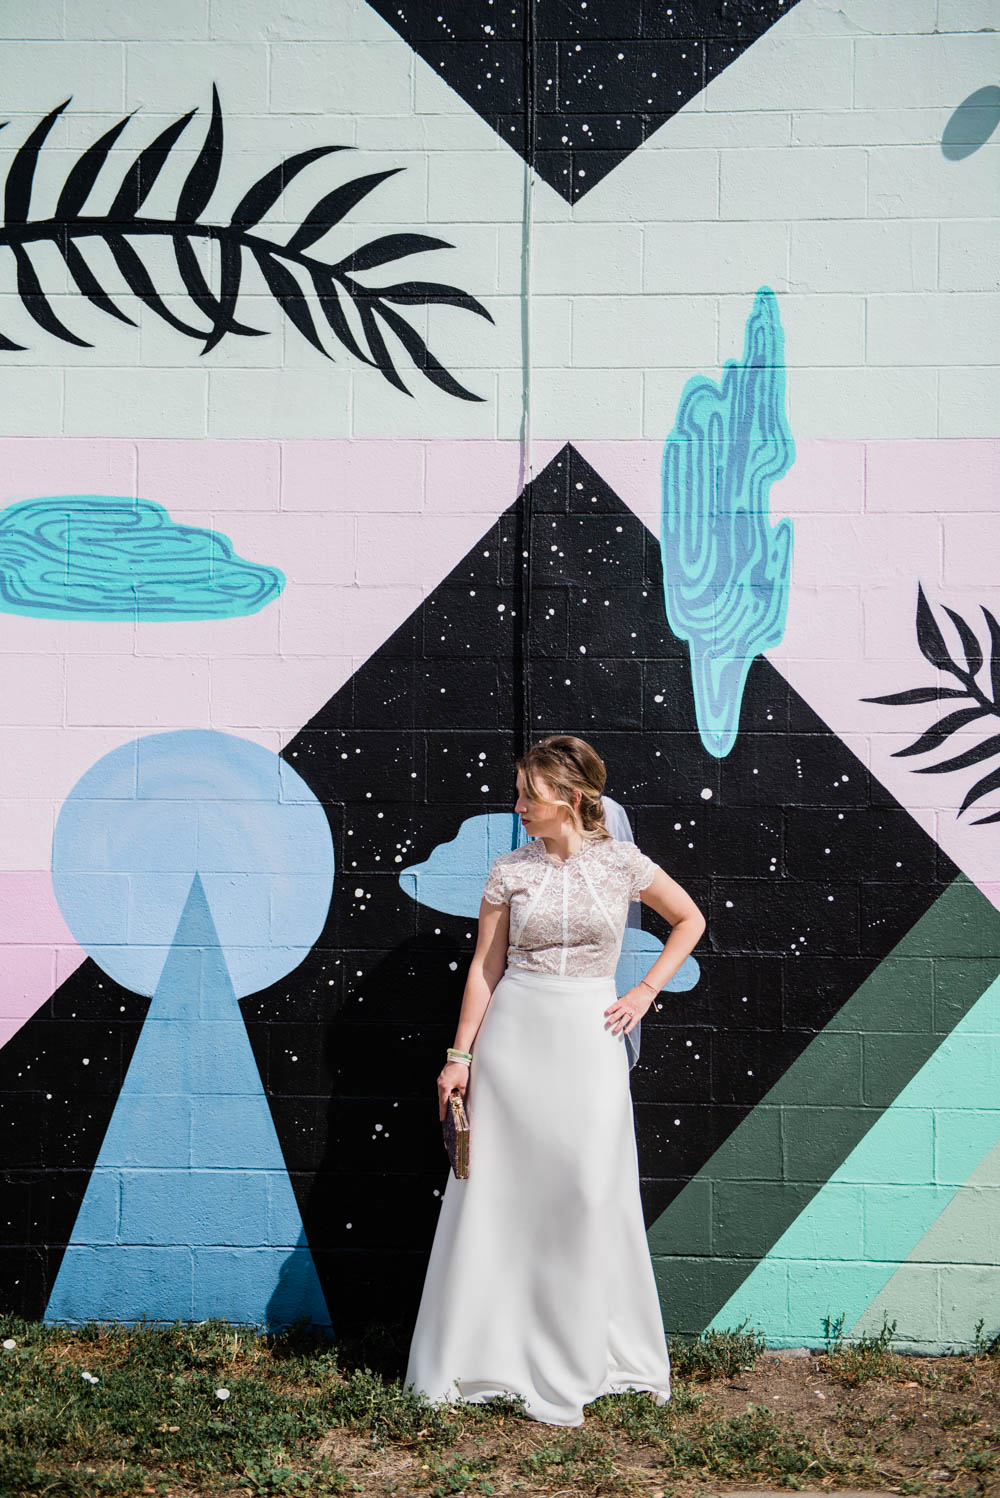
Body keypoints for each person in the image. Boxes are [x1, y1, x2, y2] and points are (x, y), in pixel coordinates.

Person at [404, 735, 707, 1427]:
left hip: (590, 1037)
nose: (517, 807)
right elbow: (485, 968)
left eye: (527, 795)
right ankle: (490, 1351)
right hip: (514, 1041)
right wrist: (460, 1057)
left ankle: (583, 1350)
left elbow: (690, 918)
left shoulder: (624, 864)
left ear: (568, 798)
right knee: (502, 1196)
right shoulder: (508, 871)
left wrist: (646, 992)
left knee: (588, 1189)